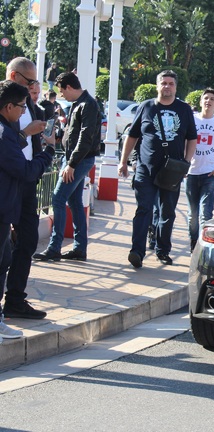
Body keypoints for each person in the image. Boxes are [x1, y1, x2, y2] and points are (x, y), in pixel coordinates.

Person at [118, 70, 197, 268]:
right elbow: (133, 136)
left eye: (171, 83)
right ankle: (137, 251)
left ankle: (162, 250)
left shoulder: (184, 109)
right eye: (164, 83)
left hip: (172, 170)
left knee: (167, 212)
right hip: (146, 168)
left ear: (175, 87)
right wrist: (123, 161)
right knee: (143, 209)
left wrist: (186, 162)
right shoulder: (146, 107)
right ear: (157, 85)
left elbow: (192, 138)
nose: (167, 87)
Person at [0, 80, 55, 335]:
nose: (25, 111)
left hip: (10, 202)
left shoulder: (9, 128)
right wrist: (49, 152)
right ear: (9, 106)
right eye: (22, 106)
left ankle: (11, 305)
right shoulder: (4, 132)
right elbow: (23, 169)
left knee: (9, 256)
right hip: (5, 203)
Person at [33, 72, 101, 263]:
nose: (61, 96)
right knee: (74, 202)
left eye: (62, 91)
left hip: (78, 160)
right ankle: (79, 248)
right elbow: (74, 134)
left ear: (69, 87)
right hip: (76, 159)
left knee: (58, 197)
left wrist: (71, 164)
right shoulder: (80, 104)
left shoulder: (87, 105)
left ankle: (55, 247)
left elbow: (85, 138)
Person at [186, 89, 214, 252]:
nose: (208, 101)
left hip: (210, 174)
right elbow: (184, 142)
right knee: (192, 216)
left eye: (212, 99)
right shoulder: (192, 119)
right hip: (191, 172)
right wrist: (184, 164)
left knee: (206, 214)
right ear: (200, 102)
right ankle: (193, 245)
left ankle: (202, 249)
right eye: (205, 98)